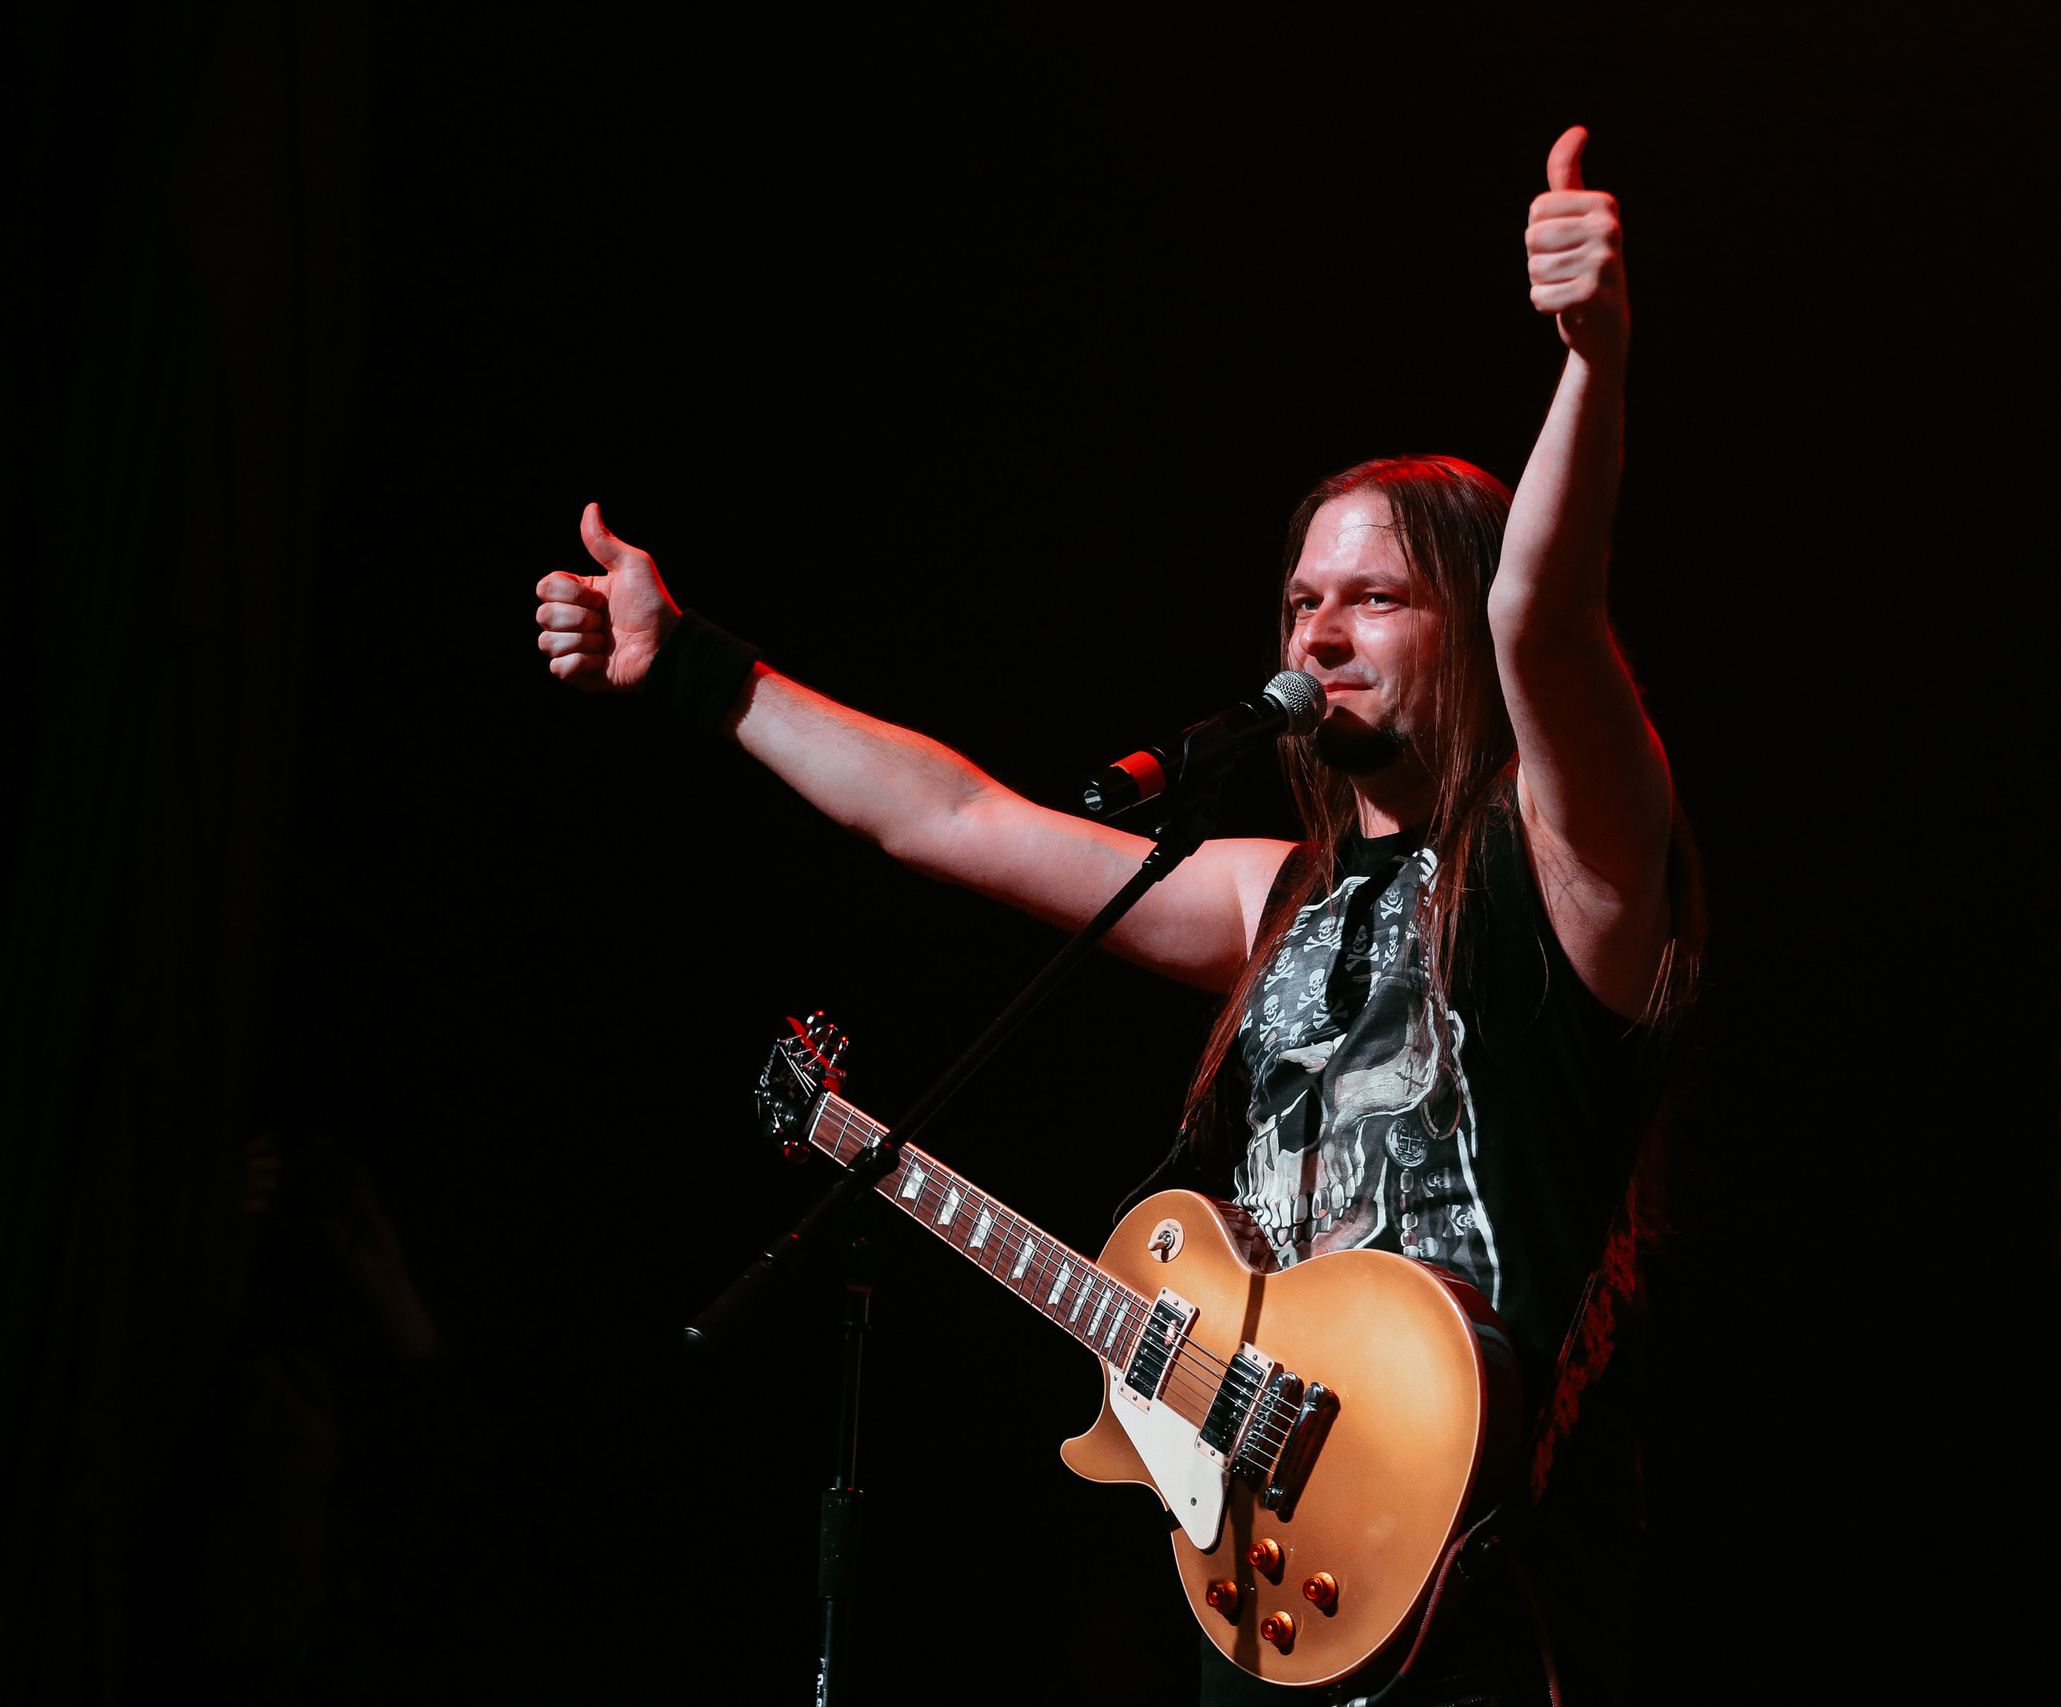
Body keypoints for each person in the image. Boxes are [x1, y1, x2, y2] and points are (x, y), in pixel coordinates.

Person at [536, 126, 1696, 1705]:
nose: (1323, 633)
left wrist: (1594, 363)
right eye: (1300, 601)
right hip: (1285, 1580)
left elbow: (1543, 615)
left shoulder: (1574, 874)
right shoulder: (1261, 897)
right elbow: (952, 818)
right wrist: (695, 672)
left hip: (1490, 1593)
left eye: (1374, 598)